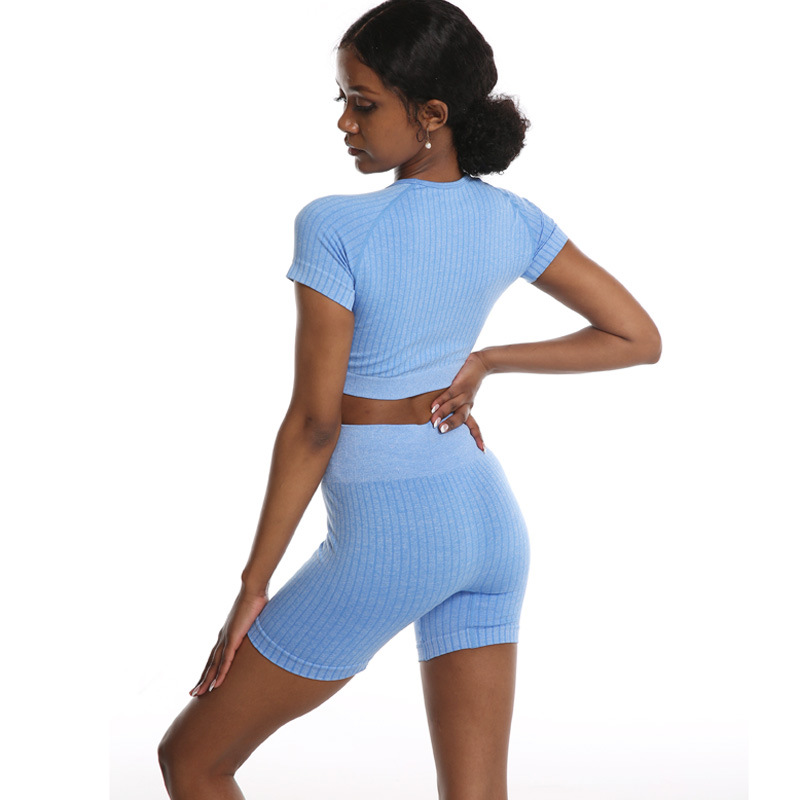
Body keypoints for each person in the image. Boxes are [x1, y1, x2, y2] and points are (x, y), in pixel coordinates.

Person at [157, 0, 661, 797]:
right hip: (488, 524)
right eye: (342, 101)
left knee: (192, 761)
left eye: (363, 104)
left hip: (393, 538)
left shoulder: (335, 227)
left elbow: (315, 425)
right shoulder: (514, 219)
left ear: (432, 114)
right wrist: (486, 361)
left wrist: (253, 586)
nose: (345, 123)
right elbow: (636, 336)